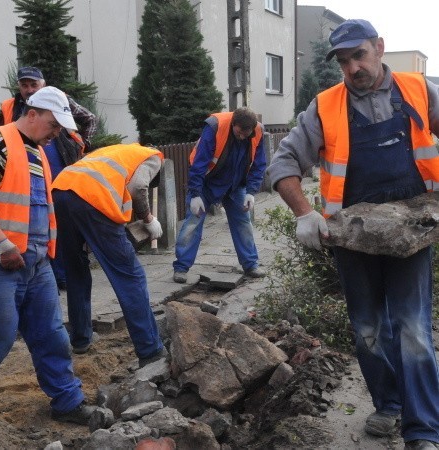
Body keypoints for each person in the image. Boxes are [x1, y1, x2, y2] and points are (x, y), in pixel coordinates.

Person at [268, 19, 439, 449]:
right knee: (367, 328)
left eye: (358, 55)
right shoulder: (325, 107)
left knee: (413, 327)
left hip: (410, 230)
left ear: (379, 48)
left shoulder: (420, 91)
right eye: (343, 61)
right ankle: (389, 403)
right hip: (352, 235)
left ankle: (423, 430)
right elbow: (284, 162)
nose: (352, 68)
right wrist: (305, 213)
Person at [0, 86, 95, 424]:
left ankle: (67, 401)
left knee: (52, 334)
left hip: (35, 264)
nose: (56, 133)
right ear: (31, 114)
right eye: (53, 125)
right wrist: (2, 245)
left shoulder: (37, 153)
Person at [51, 143, 166, 364]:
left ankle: (81, 339)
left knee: (76, 271)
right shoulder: (153, 157)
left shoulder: (118, 152)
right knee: (130, 276)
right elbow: (139, 187)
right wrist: (148, 219)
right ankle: (150, 349)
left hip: (60, 192)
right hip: (92, 198)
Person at [0, 66, 97, 290]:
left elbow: (89, 119)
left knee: (57, 224)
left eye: (34, 85)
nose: (29, 90)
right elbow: (0, 139)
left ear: (43, 85)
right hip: (20, 179)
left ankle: (61, 275)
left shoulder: (58, 101)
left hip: (55, 171)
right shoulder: (10, 108)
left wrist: (83, 145)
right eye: (25, 85)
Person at [172, 107, 267, 283]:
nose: (242, 137)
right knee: (193, 222)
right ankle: (181, 268)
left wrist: (251, 192)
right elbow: (199, 162)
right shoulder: (214, 127)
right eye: (239, 132)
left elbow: (259, 164)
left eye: (246, 134)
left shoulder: (258, 132)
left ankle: (250, 265)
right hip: (208, 184)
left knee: (243, 222)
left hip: (235, 185)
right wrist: (195, 194)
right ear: (233, 124)